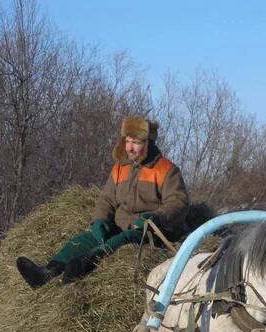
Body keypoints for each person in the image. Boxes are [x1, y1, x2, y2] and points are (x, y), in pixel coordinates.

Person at [16, 116, 189, 287]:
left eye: (135, 142)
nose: (130, 147)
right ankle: (48, 271)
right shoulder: (120, 168)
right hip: (119, 226)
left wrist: (155, 217)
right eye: (127, 141)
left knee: (123, 239)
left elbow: (178, 202)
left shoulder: (166, 170)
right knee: (86, 238)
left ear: (148, 143)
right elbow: (106, 199)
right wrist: (100, 220)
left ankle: (84, 265)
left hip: (146, 232)